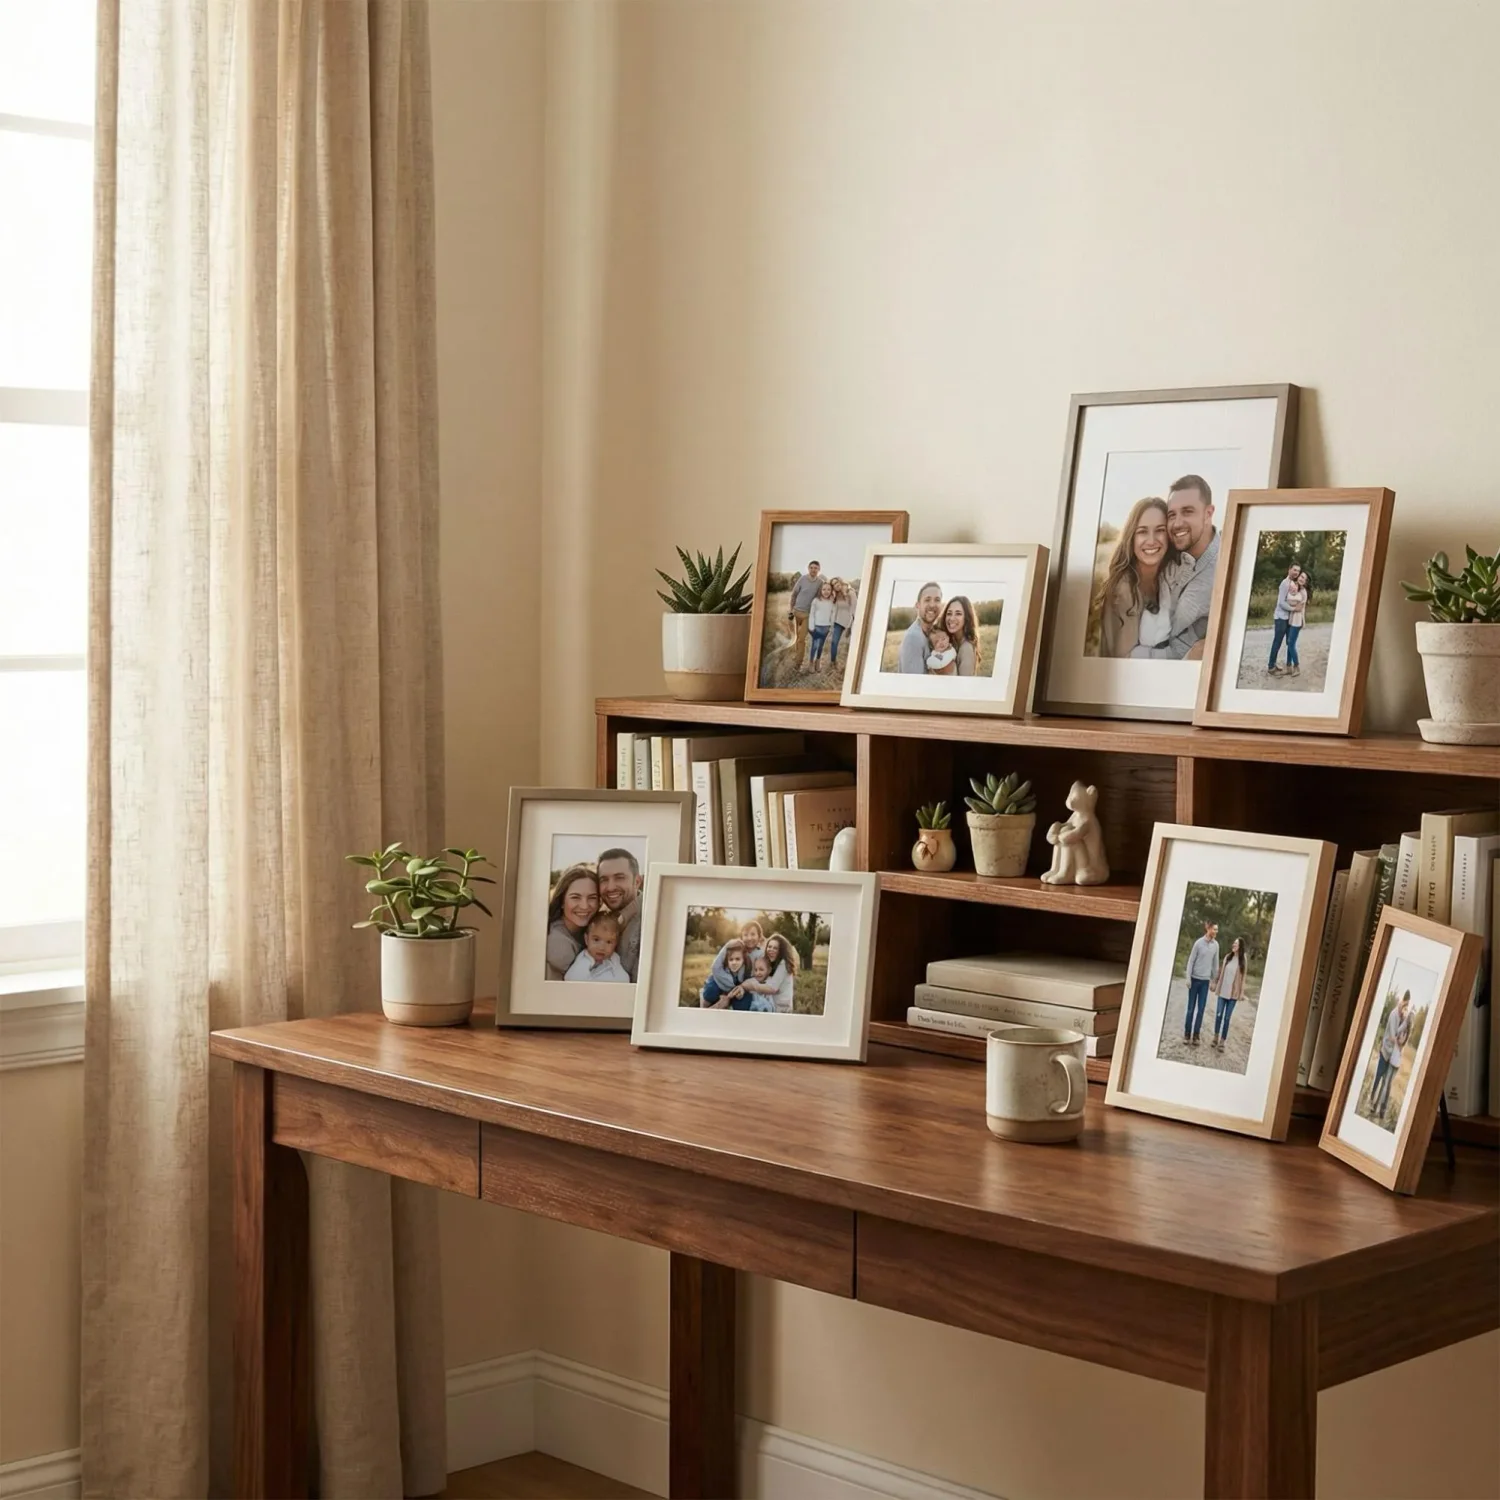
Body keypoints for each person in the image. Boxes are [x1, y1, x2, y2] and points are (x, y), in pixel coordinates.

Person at [1131, 476, 1217, 661]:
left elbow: (1184, 649)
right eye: (1172, 515)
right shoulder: (1167, 557)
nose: (1177, 523)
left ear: (1208, 513)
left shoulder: (1223, 568)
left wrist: (1135, 656)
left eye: (1187, 512)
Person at [596, 846, 644, 981]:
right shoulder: (600, 920)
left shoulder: (653, 919)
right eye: (604, 879)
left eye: (619, 878)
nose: (610, 887)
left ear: (637, 882)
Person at [544, 864, 599, 980]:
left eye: (592, 898)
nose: (584, 906)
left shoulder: (591, 930)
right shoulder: (557, 942)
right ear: (562, 902)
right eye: (575, 897)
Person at [1370, 990, 1414, 1118]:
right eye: (1405, 1004)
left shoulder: (1402, 1017)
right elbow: (1393, 1035)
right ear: (1402, 1001)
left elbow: (1400, 1039)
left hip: (1392, 1056)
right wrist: (1404, 1025)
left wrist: (1405, 1024)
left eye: (1407, 1006)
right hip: (1386, 1052)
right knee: (1379, 1078)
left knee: (1385, 1083)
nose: (1404, 1008)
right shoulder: (1394, 1015)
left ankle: (1378, 1107)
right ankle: (1373, 1102)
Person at [564, 910, 630, 982]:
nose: (602, 947)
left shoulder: (614, 959)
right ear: (586, 939)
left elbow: (624, 979)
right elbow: (571, 978)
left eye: (609, 942)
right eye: (596, 940)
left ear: (616, 944)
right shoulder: (584, 959)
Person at [1182, 919, 1220, 1045]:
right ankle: (1187, 1034)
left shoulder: (1216, 945)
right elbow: (1191, 961)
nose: (1216, 931)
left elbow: (1215, 965)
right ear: (1208, 928)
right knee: (1190, 1009)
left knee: (1201, 1009)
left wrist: (1214, 981)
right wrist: (1188, 978)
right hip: (1194, 980)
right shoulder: (1198, 943)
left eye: (1217, 929)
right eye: (1214, 929)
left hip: (1205, 982)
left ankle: (1196, 1035)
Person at [1210, 937, 1247, 1050]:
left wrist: (1241, 993)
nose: (1233, 945)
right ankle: (1215, 1037)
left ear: (1240, 946)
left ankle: (1222, 1041)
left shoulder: (1243, 960)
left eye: (1236, 943)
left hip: (1233, 995)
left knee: (1227, 1018)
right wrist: (1215, 983)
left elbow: (1243, 977)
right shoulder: (1228, 957)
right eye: (1234, 943)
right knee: (1218, 1015)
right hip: (1223, 992)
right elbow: (1220, 971)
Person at [898, 582, 944, 672]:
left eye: (937, 600)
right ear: (917, 605)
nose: (932, 605)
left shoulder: (934, 633)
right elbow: (913, 684)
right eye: (927, 600)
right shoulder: (913, 637)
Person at [785, 561, 823, 666]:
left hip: (808, 614)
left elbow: (820, 598)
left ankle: (798, 663)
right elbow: (794, 594)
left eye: (816, 568)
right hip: (796, 612)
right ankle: (797, 656)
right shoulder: (802, 579)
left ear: (819, 570)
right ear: (808, 568)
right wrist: (791, 610)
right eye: (811, 567)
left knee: (801, 639)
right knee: (797, 637)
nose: (813, 570)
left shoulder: (820, 582)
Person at [1267, 561, 1300, 674]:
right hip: (1281, 618)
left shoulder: (1293, 584)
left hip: (1288, 618)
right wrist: (1293, 609)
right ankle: (1271, 666)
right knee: (1277, 642)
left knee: (1289, 642)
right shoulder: (1285, 583)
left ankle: (1287, 666)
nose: (1296, 572)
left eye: (1298, 571)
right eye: (1295, 570)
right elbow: (1281, 602)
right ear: (1289, 569)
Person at [699, 939, 751, 1008]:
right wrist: (727, 946)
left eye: (737, 959)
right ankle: (703, 1006)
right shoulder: (723, 969)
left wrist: (740, 992)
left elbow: (746, 984)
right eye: (731, 959)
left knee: (742, 1003)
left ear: (743, 960)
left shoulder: (744, 970)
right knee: (710, 991)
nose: (734, 962)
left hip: (732, 990)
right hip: (718, 982)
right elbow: (715, 967)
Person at [942, 596, 984, 676]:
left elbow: (964, 686)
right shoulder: (952, 642)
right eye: (949, 613)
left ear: (966, 617)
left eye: (958, 614)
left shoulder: (966, 648)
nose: (952, 618)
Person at [1284, 567, 1310, 677]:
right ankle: (1288, 667)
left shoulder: (1303, 592)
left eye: (1304, 578)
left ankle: (1296, 667)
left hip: (1297, 620)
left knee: (1291, 643)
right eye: (1301, 576)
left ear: (1306, 581)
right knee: (1289, 643)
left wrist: (1290, 604)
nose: (1301, 578)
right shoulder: (1295, 588)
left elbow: (1297, 606)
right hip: (1291, 619)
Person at [807, 580, 837, 668]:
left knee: (821, 646)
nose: (826, 591)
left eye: (828, 589)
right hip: (817, 626)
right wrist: (811, 627)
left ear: (831, 591)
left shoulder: (832, 602)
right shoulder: (816, 601)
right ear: (820, 590)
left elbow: (833, 615)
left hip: (826, 627)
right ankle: (811, 663)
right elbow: (812, 614)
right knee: (815, 645)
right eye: (824, 589)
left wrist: (831, 626)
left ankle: (818, 662)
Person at [829, 580, 857, 666]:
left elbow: (854, 610)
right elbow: (835, 609)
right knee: (834, 642)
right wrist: (833, 623)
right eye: (833, 585)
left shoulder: (850, 592)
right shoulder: (836, 595)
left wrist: (849, 626)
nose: (836, 585)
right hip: (839, 622)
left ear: (840, 582)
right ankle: (833, 662)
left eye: (836, 583)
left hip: (851, 622)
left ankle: (852, 665)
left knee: (851, 645)